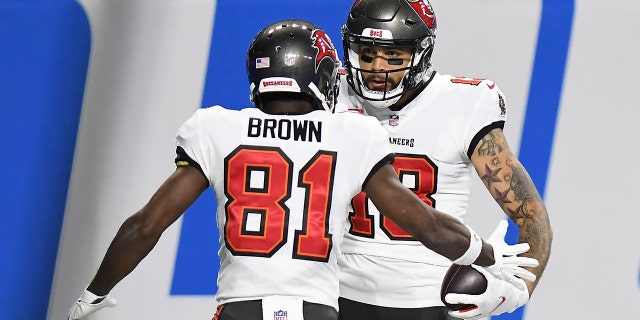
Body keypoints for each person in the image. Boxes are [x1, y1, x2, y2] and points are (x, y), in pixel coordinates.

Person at [66, 19, 536, 320]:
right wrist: (487, 256)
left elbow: (144, 227)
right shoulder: (352, 133)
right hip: (317, 312)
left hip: (240, 310)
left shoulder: (215, 127)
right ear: (327, 76)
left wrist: (92, 295)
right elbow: (425, 224)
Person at [335, 0, 553, 319]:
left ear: (421, 53)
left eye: (393, 55)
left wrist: (518, 289)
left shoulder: (463, 103)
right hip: (339, 293)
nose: (377, 67)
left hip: (431, 298)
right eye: (367, 53)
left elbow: (531, 214)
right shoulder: (329, 92)